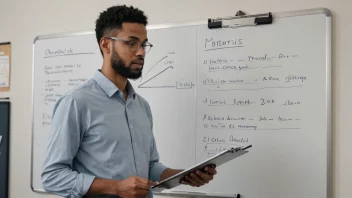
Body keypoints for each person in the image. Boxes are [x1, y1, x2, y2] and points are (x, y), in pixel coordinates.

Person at [41, 4, 217, 198]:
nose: (141, 52)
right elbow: (52, 176)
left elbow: (149, 166)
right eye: (131, 43)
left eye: (144, 44)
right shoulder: (76, 102)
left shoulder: (141, 106)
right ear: (106, 44)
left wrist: (183, 176)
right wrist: (115, 187)